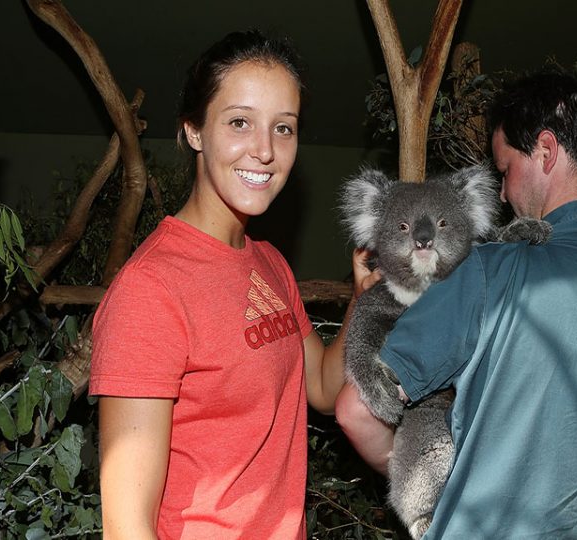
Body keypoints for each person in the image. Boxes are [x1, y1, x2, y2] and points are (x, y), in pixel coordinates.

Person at [334, 69, 577, 538]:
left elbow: (356, 411)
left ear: (545, 151)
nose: (502, 192)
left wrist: (432, 489)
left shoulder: (490, 271)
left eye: (505, 170)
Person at [89, 30, 377, 539]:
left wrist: (363, 300)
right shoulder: (150, 290)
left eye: (283, 128)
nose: (265, 151)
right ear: (194, 131)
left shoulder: (268, 262)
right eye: (239, 122)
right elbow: (126, 529)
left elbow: (325, 389)